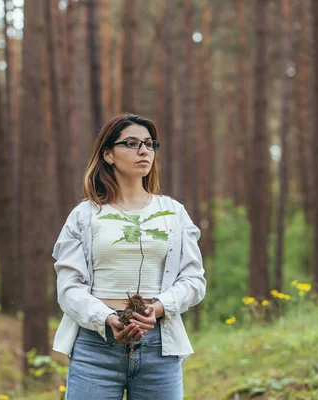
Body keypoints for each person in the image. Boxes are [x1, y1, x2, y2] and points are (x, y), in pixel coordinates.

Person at [52, 113, 206, 399]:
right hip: (96, 346)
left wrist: (158, 308)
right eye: (132, 143)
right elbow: (68, 288)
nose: (144, 151)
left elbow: (194, 280)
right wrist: (107, 317)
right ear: (108, 154)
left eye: (149, 144)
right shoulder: (85, 215)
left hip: (159, 347)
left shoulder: (172, 213)